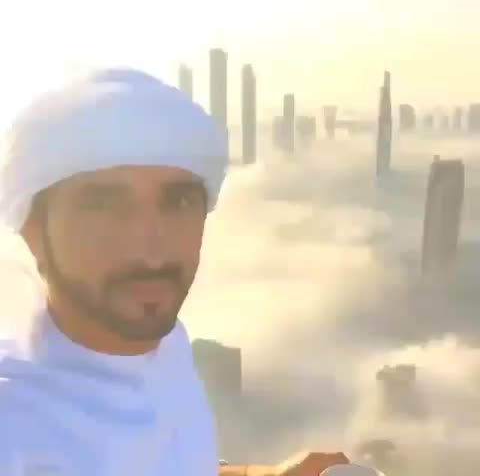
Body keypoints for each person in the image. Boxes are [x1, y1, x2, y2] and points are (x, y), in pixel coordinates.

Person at [0, 68, 349, 475]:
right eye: (105, 206)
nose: (152, 254)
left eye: (178, 202)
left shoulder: (160, 344)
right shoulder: (15, 431)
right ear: (32, 229)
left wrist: (265, 475)